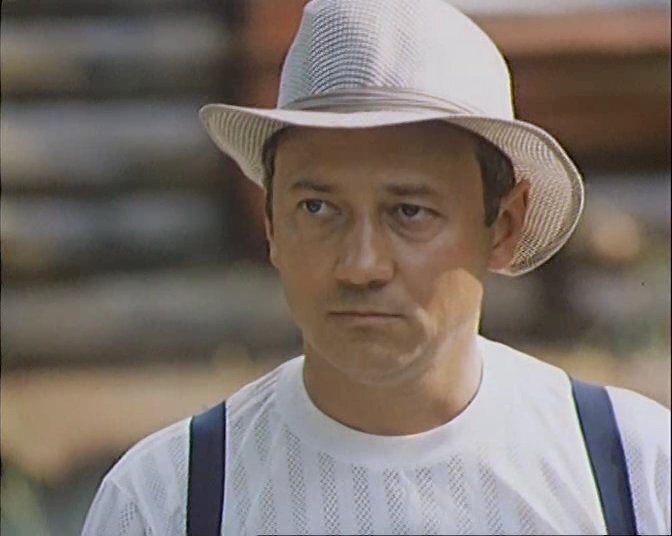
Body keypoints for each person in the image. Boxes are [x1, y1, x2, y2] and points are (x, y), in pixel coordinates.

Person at [81, 0, 670, 534]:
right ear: (272, 225)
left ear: (504, 227)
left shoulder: (635, 474)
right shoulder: (169, 500)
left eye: (409, 212)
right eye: (318, 209)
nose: (360, 266)